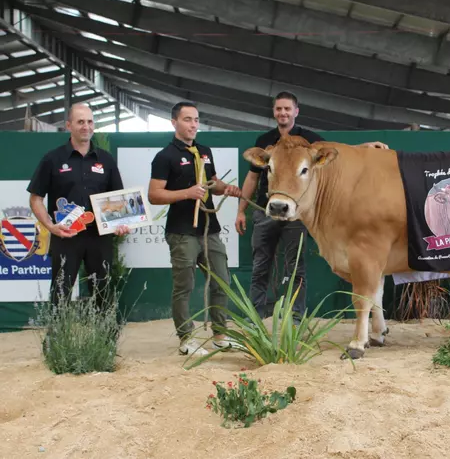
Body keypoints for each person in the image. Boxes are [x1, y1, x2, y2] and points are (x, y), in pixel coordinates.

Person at [235, 91, 388, 322]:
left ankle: (295, 317)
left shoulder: (309, 139)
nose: (283, 113)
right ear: (274, 112)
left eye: (287, 109)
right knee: (260, 265)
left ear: (296, 112)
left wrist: (364, 147)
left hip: (296, 213)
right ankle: (254, 315)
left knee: (295, 267)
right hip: (266, 211)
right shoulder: (264, 141)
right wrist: (240, 210)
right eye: (279, 109)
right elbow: (252, 178)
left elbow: (335, 153)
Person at [148, 101, 243, 356]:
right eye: (188, 119)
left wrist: (228, 189)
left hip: (209, 229)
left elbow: (212, 182)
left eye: (196, 120)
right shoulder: (164, 156)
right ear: (174, 123)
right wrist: (187, 193)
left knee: (222, 282)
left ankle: (220, 336)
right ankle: (186, 339)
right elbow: (154, 195)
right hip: (181, 231)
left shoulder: (204, 151)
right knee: (184, 287)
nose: (193, 125)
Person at [27, 103, 130, 309]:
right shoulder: (53, 159)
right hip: (66, 236)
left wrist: (121, 223)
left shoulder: (106, 160)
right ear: (68, 125)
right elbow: (35, 198)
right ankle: (55, 341)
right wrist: (51, 226)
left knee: (103, 293)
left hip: (99, 237)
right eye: (80, 122)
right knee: (60, 294)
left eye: (90, 122)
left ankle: (104, 341)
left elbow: (118, 199)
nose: (86, 126)